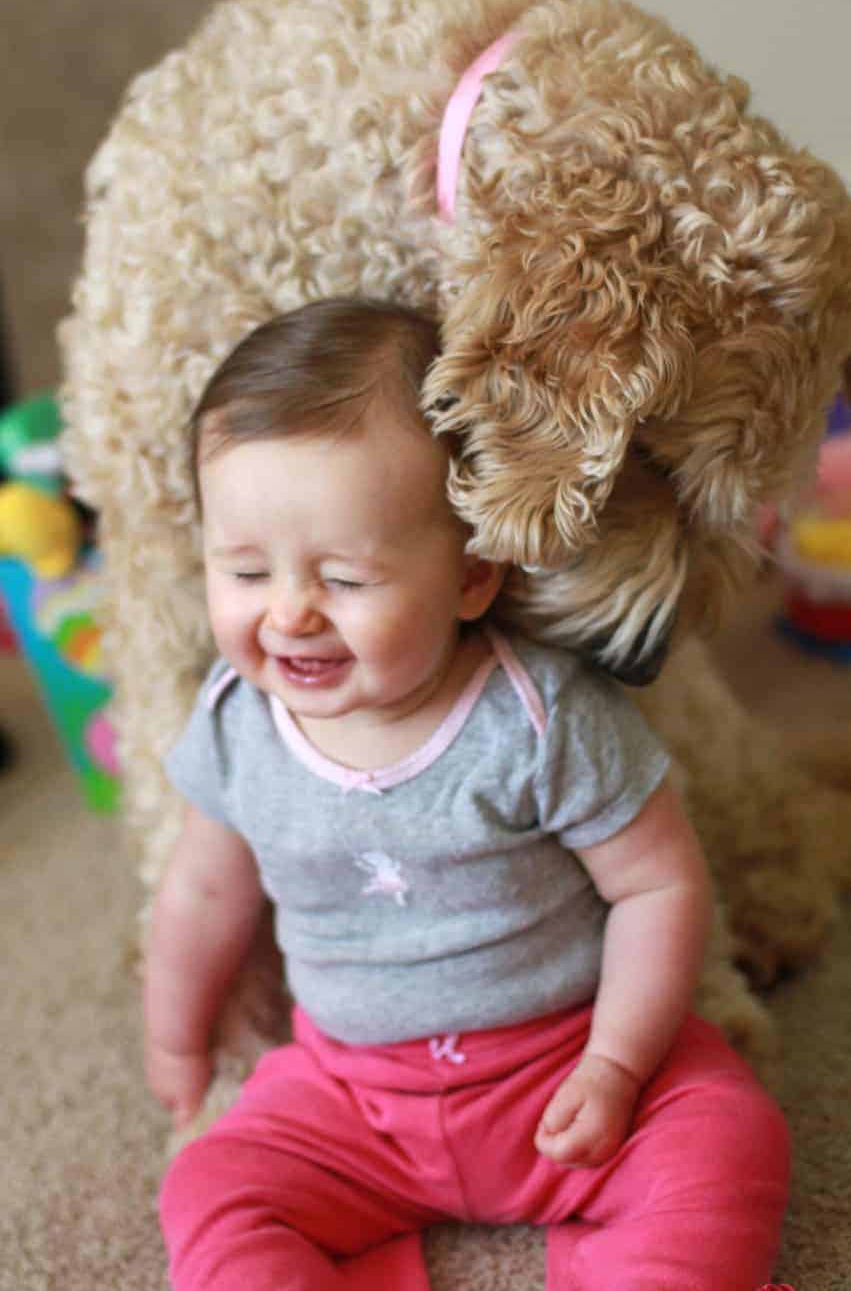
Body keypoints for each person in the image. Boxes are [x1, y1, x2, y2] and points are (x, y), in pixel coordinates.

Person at [145, 297, 793, 1291]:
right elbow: (200, 892)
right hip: (346, 1095)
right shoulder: (235, 722)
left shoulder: (535, 717)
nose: (287, 612)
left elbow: (654, 886)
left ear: (471, 577)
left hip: (563, 1065)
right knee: (207, 1192)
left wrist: (617, 1067)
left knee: (726, 1136)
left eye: (346, 579)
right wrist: (175, 1040)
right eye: (243, 569)